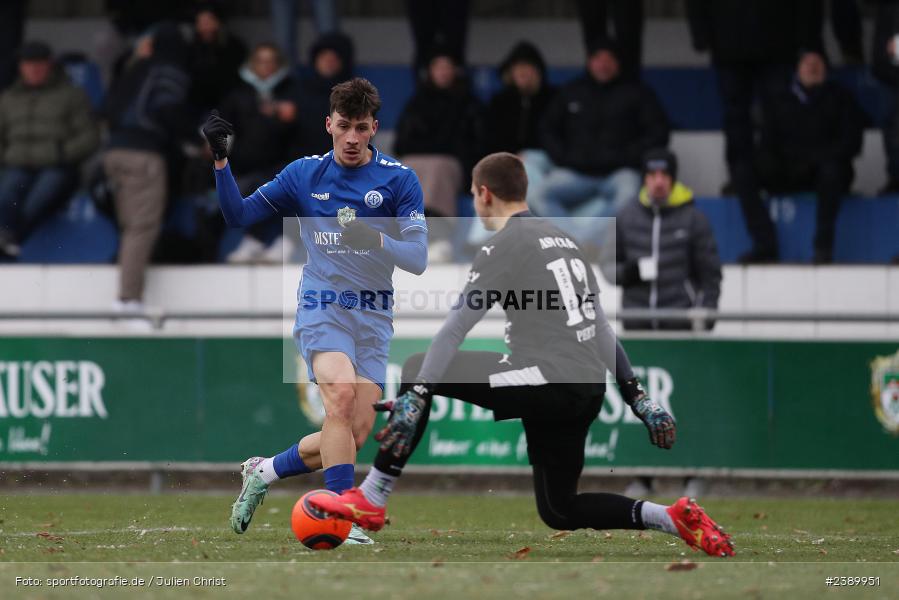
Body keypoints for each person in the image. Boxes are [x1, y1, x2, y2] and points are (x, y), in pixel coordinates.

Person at [311, 152, 735, 559]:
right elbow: (601, 326)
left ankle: (373, 497)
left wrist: (418, 393)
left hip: (551, 378)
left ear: (484, 194)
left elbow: (456, 327)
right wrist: (637, 396)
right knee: (559, 509)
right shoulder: (566, 240)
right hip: (586, 387)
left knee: (417, 367)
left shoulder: (504, 244)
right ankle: (672, 518)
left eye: (474, 195)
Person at [202, 77, 428, 545]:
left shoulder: (399, 180)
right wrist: (221, 162)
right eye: (344, 126)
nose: (351, 137)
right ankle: (341, 516)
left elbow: (418, 258)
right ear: (329, 125)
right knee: (340, 398)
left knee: (351, 434)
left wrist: (376, 239)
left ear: (374, 129)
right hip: (322, 306)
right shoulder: (303, 175)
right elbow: (238, 215)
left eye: (361, 127)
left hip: (374, 316)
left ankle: (264, 470)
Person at [686, 0, 819, 262]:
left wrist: (806, 39)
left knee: (781, 119)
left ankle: (786, 174)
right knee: (737, 128)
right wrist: (702, 35)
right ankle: (745, 186)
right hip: (729, 44)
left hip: (777, 43)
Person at [528, 38, 669, 249]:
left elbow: (657, 133)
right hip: (576, 172)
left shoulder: (638, 92)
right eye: (598, 59)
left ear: (618, 63)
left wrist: (628, 157)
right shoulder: (571, 91)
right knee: (538, 196)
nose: (603, 64)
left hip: (620, 172)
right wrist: (564, 156)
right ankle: (576, 241)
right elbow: (547, 129)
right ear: (589, 61)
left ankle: (583, 242)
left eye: (609, 59)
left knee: (630, 197)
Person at [736, 49, 865, 264]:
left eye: (817, 63)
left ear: (826, 68)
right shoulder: (780, 99)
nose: (812, 68)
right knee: (743, 171)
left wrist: (815, 159)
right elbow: (767, 143)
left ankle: (823, 247)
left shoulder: (841, 98)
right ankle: (765, 245)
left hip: (824, 172)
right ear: (797, 69)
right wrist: (783, 161)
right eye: (807, 63)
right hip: (787, 171)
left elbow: (852, 144)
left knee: (832, 171)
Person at [103, 23, 193, 310]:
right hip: (142, 154)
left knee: (131, 226)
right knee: (141, 227)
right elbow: (170, 111)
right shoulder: (167, 71)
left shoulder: (135, 69)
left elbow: (107, 109)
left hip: (114, 152)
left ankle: (128, 292)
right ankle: (128, 301)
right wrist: (197, 137)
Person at [602, 148, 721, 331]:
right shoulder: (625, 216)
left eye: (664, 175)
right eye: (652, 175)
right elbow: (607, 266)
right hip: (636, 324)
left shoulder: (694, 219)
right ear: (644, 179)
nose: (658, 182)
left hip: (680, 327)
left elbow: (711, 275)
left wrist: (705, 317)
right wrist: (630, 273)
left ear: (673, 178)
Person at [0, 40, 99, 259]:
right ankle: (7, 241)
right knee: (6, 195)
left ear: (50, 65)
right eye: (28, 64)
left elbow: (90, 136)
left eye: (39, 64)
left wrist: (62, 154)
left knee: (38, 199)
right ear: (21, 67)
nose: (34, 70)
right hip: (18, 165)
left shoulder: (71, 95)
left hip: (57, 166)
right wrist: (6, 156)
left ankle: (12, 240)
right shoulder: (8, 98)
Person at [394, 46, 485, 262]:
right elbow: (402, 143)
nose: (443, 72)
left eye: (447, 67)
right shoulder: (417, 102)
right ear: (430, 71)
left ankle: (438, 237)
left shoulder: (469, 103)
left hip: (456, 166)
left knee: (438, 167)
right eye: (438, 67)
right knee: (406, 167)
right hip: (419, 160)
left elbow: (476, 144)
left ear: (456, 71)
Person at [220, 43, 302, 264]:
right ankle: (254, 240)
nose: (266, 66)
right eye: (261, 61)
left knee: (280, 186)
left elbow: (303, 131)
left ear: (278, 64)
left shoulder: (291, 92)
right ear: (252, 64)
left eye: (271, 61)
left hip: (282, 164)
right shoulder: (238, 94)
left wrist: (288, 118)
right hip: (244, 168)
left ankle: (279, 241)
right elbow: (223, 128)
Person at [485, 41, 556, 156]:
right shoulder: (500, 101)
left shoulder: (552, 98)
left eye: (527, 67)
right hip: (505, 158)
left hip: (543, 157)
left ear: (537, 71)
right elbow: (491, 139)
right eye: (517, 68)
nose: (522, 71)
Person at [187, 2, 248, 114]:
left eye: (208, 21)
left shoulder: (234, 46)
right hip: (198, 104)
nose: (205, 27)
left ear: (218, 22)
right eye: (200, 22)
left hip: (227, 101)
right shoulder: (191, 48)